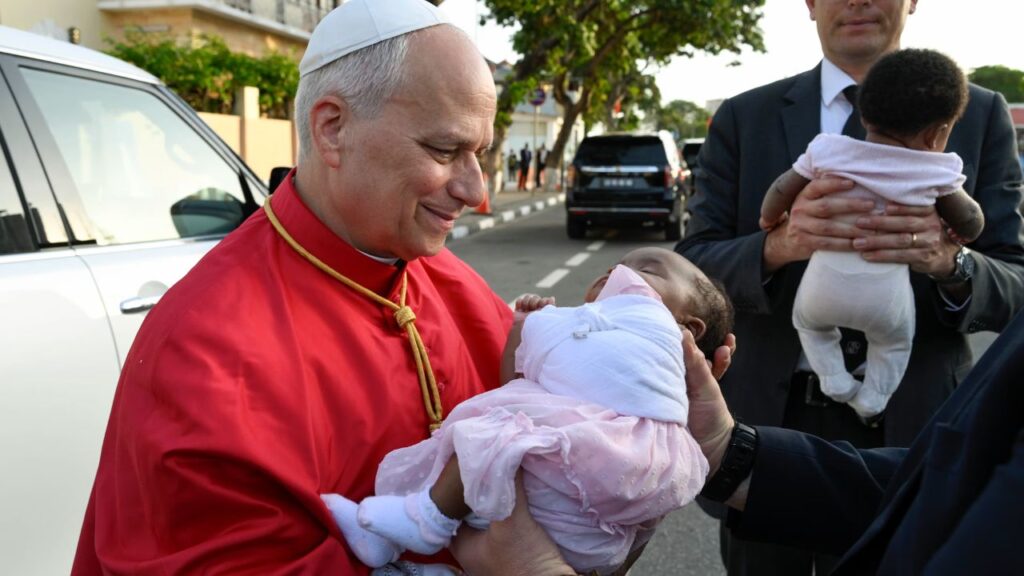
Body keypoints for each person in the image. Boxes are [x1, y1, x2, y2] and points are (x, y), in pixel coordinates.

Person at [71, 1, 540, 573]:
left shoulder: (450, 281)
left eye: (480, 154)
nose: (475, 190)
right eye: (445, 151)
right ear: (332, 128)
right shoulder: (206, 347)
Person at [675, 0, 1024, 573]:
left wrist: (948, 263)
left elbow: (1014, 279)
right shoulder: (745, 115)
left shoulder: (980, 112)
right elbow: (691, 263)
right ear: (809, 3)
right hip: (769, 427)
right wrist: (779, 245)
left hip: (919, 435)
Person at [321, 247, 733, 575]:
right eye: (615, 265)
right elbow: (516, 385)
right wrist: (523, 327)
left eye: (647, 269)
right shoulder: (588, 331)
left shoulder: (654, 340)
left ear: (689, 329)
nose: (617, 272)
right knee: (492, 429)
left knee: (488, 438)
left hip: (585, 493)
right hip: (556, 502)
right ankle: (410, 549)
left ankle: (425, 519)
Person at [760, 48, 984, 421]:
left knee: (810, 325)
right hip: (887, 298)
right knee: (893, 343)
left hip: (822, 288)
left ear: (863, 114)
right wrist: (961, 232)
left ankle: (835, 382)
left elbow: (781, 188)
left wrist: (771, 220)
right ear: (938, 134)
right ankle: (872, 400)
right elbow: (971, 220)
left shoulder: (828, 149)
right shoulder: (937, 170)